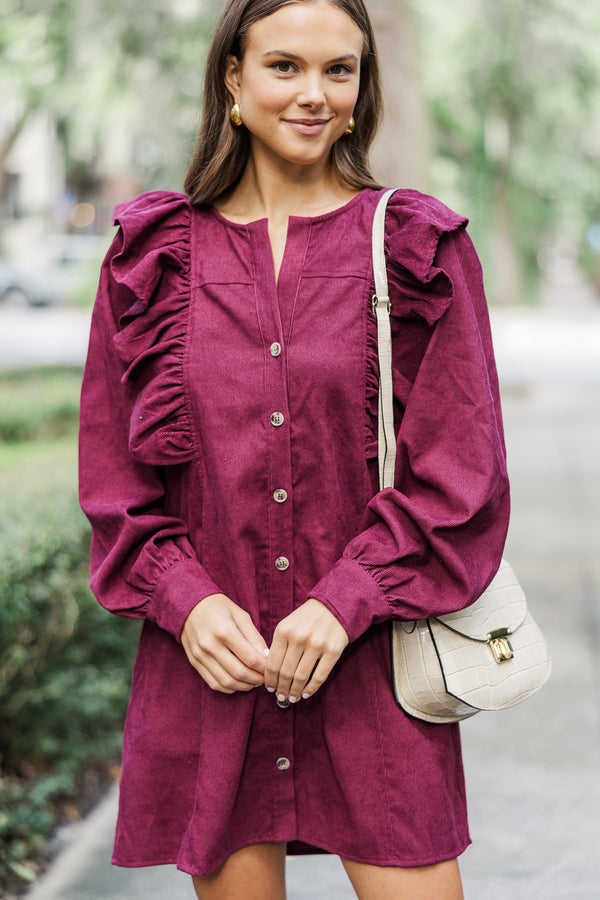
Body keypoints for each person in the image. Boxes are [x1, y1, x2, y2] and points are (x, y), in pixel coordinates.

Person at [79, 0, 510, 897]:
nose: (315, 94)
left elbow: (459, 473)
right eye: (285, 66)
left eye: (339, 70)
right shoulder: (150, 257)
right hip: (215, 668)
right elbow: (116, 485)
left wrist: (348, 597)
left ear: (363, 85)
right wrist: (187, 602)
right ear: (232, 79)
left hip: (372, 669)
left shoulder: (417, 247)